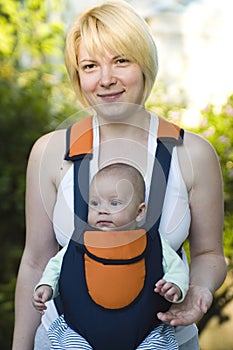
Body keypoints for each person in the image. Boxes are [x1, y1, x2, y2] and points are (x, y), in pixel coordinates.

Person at [12, 1, 227, 349]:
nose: (106, 79)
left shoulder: (194, 154)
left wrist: (198, 290)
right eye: (90, 65)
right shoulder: (51, 152)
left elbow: (208, 254)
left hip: (166, 341)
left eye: (121, 60)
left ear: (144, 64)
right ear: (77, 75)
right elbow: (36, 260)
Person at [32, 163, 189, 349]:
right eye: (95, 203)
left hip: (145, 330)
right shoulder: (81, 241)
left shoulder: (153, 243)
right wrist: (46, 285)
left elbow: (176, 267)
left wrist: (175, 286)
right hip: (80, 331)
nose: (102, 210)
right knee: (70, 343)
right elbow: (57, 266)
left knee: (157, 343)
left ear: (140, 212)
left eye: (114, 203)